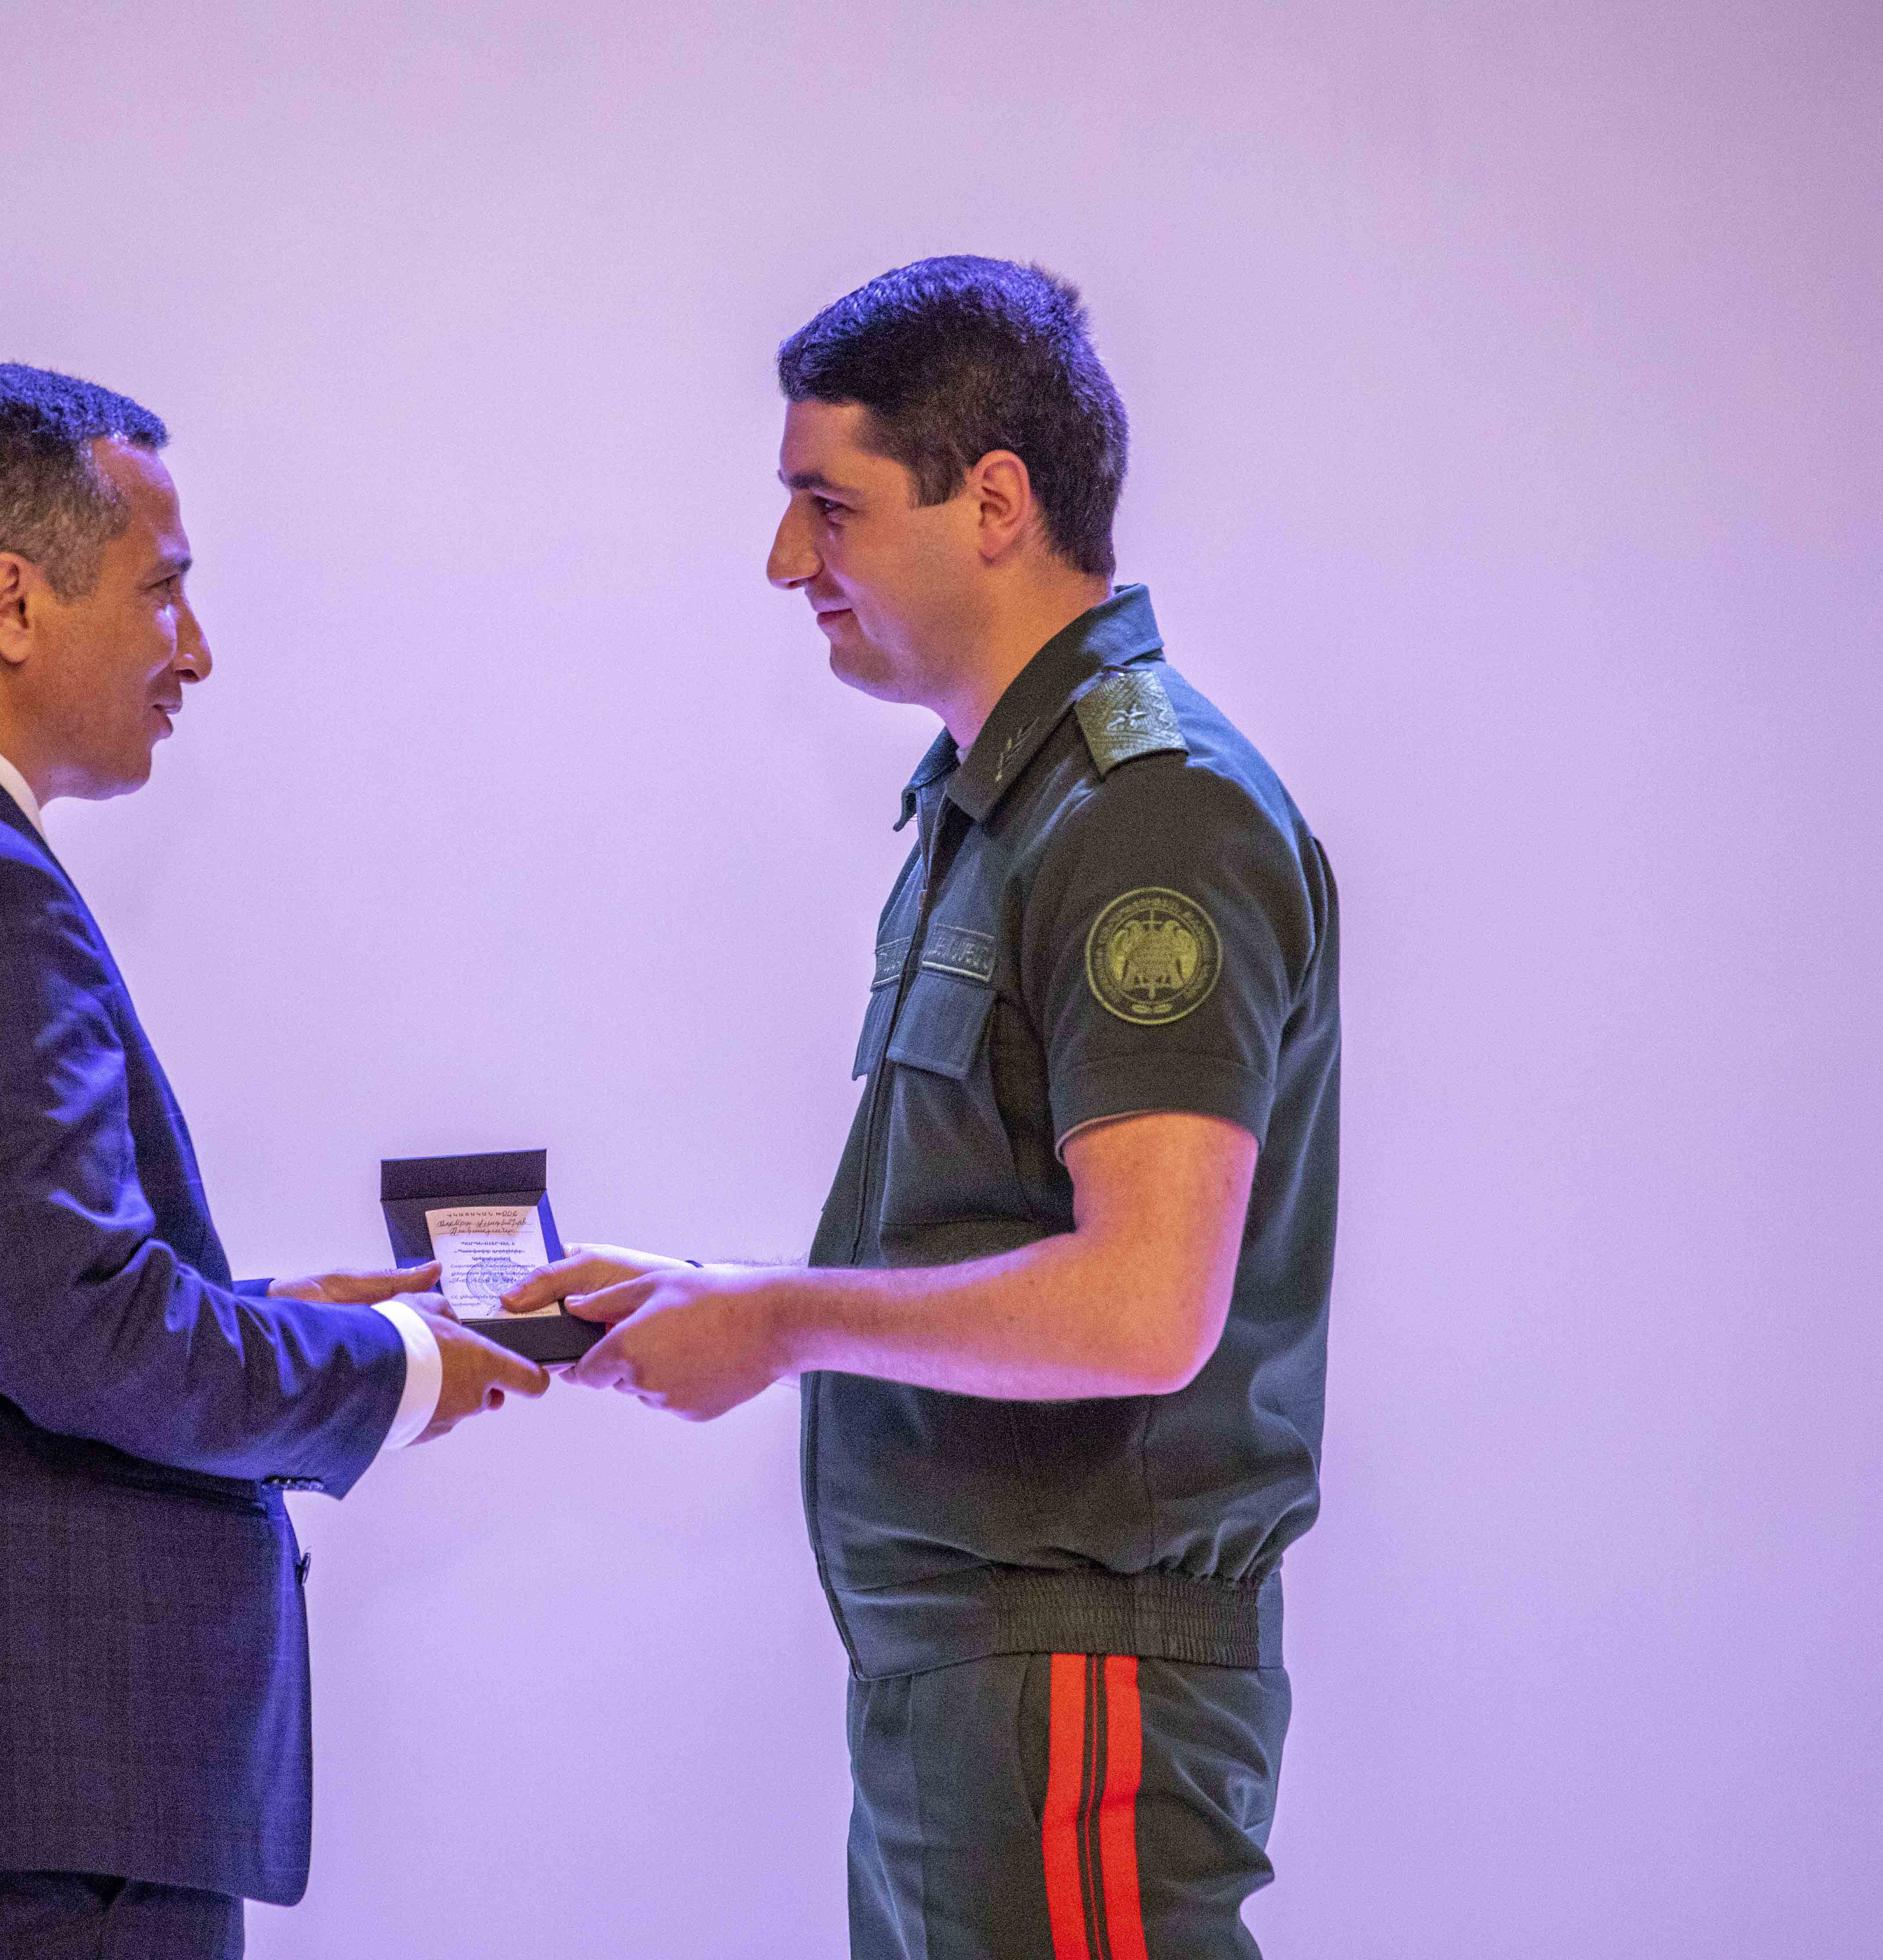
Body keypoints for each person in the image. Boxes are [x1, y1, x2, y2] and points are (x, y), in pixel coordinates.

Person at [0, 364, 545, 1960]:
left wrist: (260, 1316)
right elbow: (76, 1334)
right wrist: (399, 1366)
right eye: (162, 590)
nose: (193, 649)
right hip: (36, 1805)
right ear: (10, 601)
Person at [508, 259, 1340, 1959]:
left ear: (996, 504)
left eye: (830, 508)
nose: (785, 561)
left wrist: (780, 1322)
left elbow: (1145, 1301)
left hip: (1076, 1691)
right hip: (970, 1693)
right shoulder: (999, 810)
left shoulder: (1148, 816)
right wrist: (718, 1293)